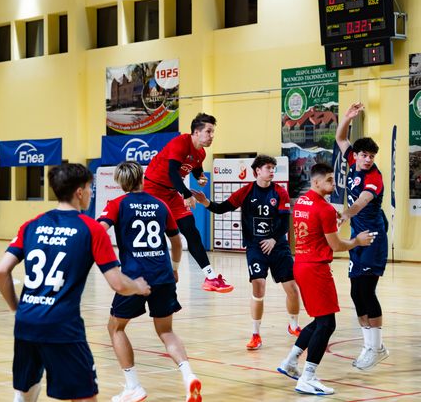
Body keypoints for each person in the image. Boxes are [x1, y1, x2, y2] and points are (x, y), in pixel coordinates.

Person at [0, 163, 151, 402]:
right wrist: (138, 286)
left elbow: (1, 271)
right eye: (90, 188)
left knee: (25, 393)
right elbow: (118, 284)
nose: (91, 193)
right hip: (62, 327)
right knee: (84, 396)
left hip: (26, 323)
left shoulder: (31, 225)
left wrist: (18, 309)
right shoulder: (91, 229)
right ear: (80, 192)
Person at [97, 161, 201, 402]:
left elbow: (99, 232)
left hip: (134, 278)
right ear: (142, 178)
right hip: (163, 275)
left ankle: (133, 386)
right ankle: (189, 376)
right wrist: (174, 268)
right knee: (166, 331)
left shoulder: (116, 204)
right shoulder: (160, 204)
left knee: (115, 328)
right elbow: (176, 242)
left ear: (120, 182)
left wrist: (107, 263)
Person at [277, 163, 375, 395]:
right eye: (329, 180)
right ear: (316, 182)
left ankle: (290, 361)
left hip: (301, 264)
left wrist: (333, 219)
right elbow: (336, 245)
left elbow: (317, 226)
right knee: (327, 324)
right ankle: (307, 377)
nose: (334, 184)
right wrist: (357, 241)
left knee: (319, 321)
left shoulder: (302, 201)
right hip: (316, 269)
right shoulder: (324, 208)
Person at [191, 155, 301, 350]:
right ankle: (255, 335)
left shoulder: (280, 192)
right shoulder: (246, 191)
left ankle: (293, 326)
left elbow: (285, 223)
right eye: (268, 167)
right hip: (255, 247)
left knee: (292, 288)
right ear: (257, 170)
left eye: (273, 168)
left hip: (278, 246)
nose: (272, 171)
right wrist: (206, 202)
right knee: (258, 286)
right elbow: (222, 208)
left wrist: (273, 239)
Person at [144, 112, 233, 293]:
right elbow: (172, 172)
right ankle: (151, 274)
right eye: (208, 131)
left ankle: (210, 277)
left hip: (171, 193)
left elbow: (196, 170)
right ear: (196, 132)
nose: (212, 136)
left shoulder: (201, 152)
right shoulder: (180, 142)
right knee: (155, 235)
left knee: (191, 230)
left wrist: (200, 178)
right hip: (153, 190)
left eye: (213, 132)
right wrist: (186, 194)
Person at [335, 102, 389, 370]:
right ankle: (371, 346)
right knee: (356, 293)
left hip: (373, 239)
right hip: (358, 238)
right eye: (364, 155)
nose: (368, 159)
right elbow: (340, 138)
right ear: (356, 155)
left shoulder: (374, 178)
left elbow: (361, 203)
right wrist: (347, 117)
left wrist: (345, 214)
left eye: (372, 156)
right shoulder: (352, 161)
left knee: (367, 291)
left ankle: (376, 348)